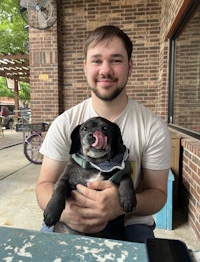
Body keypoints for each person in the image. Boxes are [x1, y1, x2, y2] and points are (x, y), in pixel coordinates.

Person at [36, 25, 171, 243]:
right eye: (97, 60)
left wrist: (119, 206)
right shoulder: (65, 123)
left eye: (116, 60)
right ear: (85, 67)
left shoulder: (152, 127)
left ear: (130, 66)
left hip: (131, 222)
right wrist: (69, 212)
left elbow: (158, 195)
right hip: (67, 217)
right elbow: (44, 186)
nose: (105, 70)